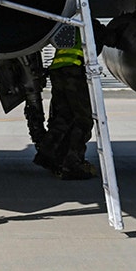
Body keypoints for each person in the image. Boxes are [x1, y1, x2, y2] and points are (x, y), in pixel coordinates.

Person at [32, 23, 104, 180]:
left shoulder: (69, 23)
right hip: (74, 72)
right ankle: (72, 164)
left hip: (58, 71)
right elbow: (109, 39)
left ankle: (47, 155)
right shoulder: (91, 25)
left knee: (63, 117)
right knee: (83, 120)